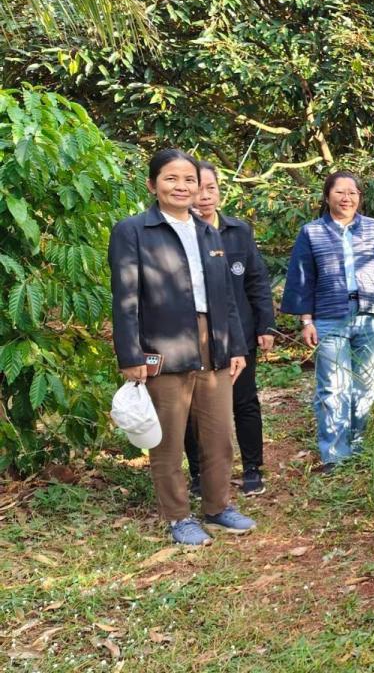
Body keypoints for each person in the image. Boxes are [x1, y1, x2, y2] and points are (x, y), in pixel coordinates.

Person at [109, 148, 256, 546]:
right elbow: (125, 297)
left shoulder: (209, 231)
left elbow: (226, 296)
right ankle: (178, 517)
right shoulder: (134, 230)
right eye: (171, 178)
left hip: (215, 343)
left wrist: (236, 347)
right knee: (168, 438)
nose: (182, 186)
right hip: (163, 341)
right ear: (152, 184)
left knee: (219, 433)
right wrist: (131, 355)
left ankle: (218, 506)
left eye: (189, 179)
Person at [281, 171, 374, 471]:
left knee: (364, 385)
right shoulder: (312, 232)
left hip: (369, 315)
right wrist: (306, 320)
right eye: (340, 192)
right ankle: (335, 454)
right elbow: (302, 278)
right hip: (328, 316)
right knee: (333, 387)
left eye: (353, 192)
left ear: (360, 197)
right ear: (327, 196)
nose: (347, 198)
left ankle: (357, 445)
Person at [183, 161, 276, 497]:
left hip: (240, 333)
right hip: (195, 336)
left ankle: (252, 468)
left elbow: (256, 279)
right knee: (194, 407)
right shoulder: (180, 233)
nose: (204, 197)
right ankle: (198, 474)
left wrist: (265, 324)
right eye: (198, 188)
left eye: (211, 188)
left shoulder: (239, 230)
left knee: (244, 401)